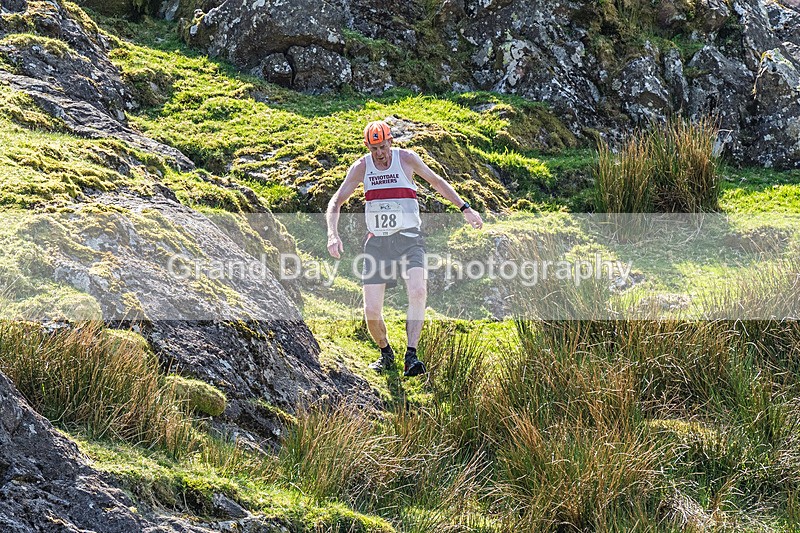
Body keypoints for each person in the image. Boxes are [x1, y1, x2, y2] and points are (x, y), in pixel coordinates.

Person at [326, 120, 483, 377]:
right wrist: (332, 234)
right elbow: (336, 201)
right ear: (367, 146)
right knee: (372, 311)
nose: (380, 153)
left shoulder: (407, 159)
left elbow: (436, 182)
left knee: (418, 291)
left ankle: (412, 356)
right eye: (374, 148)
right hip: (378, 243)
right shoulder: (361, 167)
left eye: (383, 146)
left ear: (391, 142)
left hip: (409, 239)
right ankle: (386, 353)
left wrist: (465, 208)